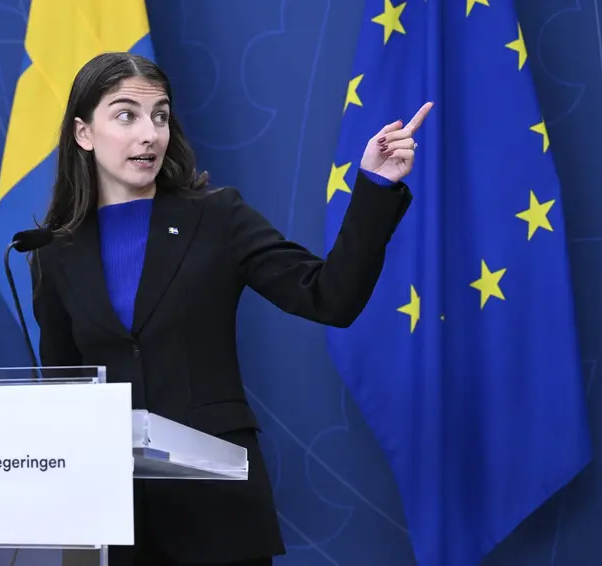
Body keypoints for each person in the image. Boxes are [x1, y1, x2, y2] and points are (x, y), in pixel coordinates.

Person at [30, 52, 430, 566]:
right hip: (109, 524)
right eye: (126, 115)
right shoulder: (54, 251)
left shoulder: (218, 218)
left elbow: (330, 297)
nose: (149, 134)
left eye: (160, 116)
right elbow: (64, 390)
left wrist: (375, 187)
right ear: (84, 133)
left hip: (216, 517)